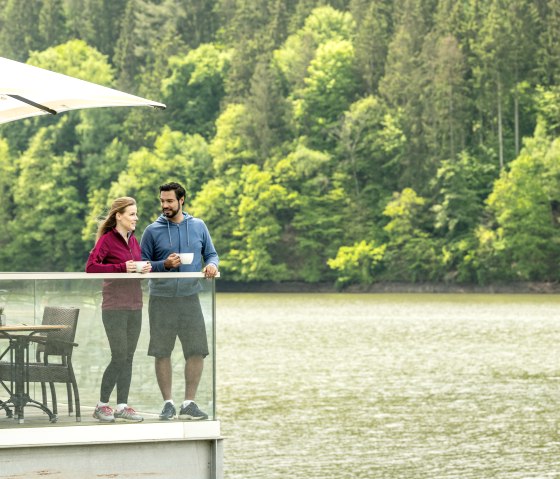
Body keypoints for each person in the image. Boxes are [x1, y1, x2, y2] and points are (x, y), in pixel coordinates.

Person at [140, 182, 219, 421]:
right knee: (162, 351)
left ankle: (189, 402)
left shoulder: (198, 226)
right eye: (162, 201)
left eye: (170, 201)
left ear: (181, 200)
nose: (165, 205)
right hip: (161, 298)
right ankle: (168, 403)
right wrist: (164, 265)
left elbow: (212, 253)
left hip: (189, 297)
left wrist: (212, 265)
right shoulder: (152, 230)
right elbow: (142, 265)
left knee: (197, 350)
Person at [86, 196, 152, 423]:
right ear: (119, 216)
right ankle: (101, 405)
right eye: (132, 214)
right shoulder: (106, 240)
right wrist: (121, 267)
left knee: (129, 357)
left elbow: (133, 269)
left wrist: (144, 270)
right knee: (119, 355)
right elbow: (91, 267)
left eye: (136, 213)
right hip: (114, 306)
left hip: (135, 304)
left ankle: (122, 405)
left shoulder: (134, 241)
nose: (136, 218)